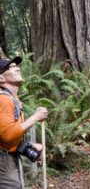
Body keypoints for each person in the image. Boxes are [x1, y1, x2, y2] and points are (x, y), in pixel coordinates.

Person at [0, 57, 48, 189]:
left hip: (9, 158)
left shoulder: (13, 100)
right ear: (1, 79)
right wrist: (35, 117)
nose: (17, 68)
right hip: (4, 161)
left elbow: (7, 137)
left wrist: (29, 146)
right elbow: (8, 135)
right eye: (10, 67)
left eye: (16, 66)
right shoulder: (3, 100)